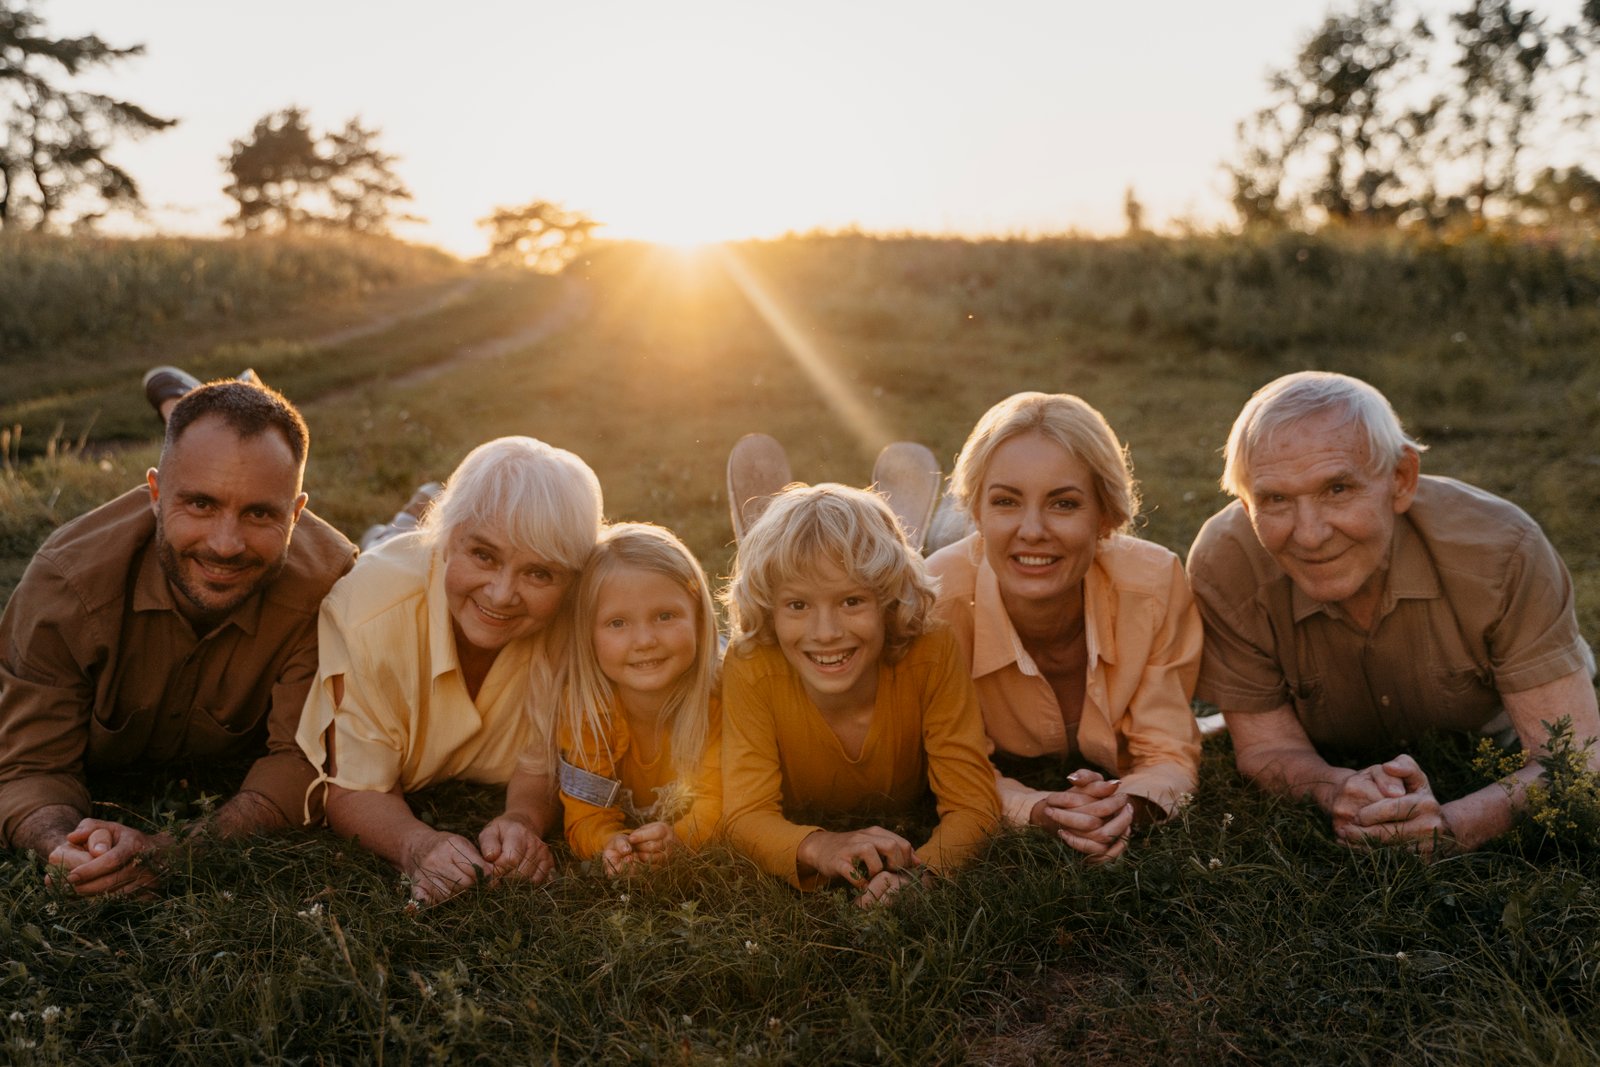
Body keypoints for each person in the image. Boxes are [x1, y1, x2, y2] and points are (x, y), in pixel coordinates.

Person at [1187, 371, 1600, 854]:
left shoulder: (1503, 550)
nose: (1309, 534)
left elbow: (1575, 759)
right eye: (1275, 499)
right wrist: (1335, 789)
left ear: (1401, 479)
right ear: (1245, 501)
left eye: (1337, 489)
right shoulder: (1224, 562)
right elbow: (1268, 749)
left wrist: (1452, 824)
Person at [0, 380, 357, 895]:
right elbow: (29, 763)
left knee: (392, 557)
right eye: (200, 504)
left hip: (359, 561)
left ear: (297, 514)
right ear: (155, 493)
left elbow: (305, 762)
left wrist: (180, 851)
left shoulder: (330, 587)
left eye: (260, 513)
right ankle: (188, 398)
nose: (226, 544)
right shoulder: (65, 583)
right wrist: (62, 846)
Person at [296, 436, 603, 905]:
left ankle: (417, 517)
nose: (502, 594)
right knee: (379, 549)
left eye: (539, 573)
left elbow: (539, 761)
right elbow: (352, 787)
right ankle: (407, 518)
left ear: (571, 578)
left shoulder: (575, 619)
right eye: (484, 554)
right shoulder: (367, 614)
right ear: (449, 535)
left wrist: (522, 818)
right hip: (394, 571)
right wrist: (417, 845)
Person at [926, 392, 1203, 863]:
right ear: (976, 513)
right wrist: (1038, 810)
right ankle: (922, 539)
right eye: (1006, 501)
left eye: (1064, 504)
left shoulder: (1154, 585)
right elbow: (952, 767)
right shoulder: (940, 605)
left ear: (1107, 517)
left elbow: (1168, 753)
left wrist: (1128, 807)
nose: (1033, 529)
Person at [720, 483, 1000, 908]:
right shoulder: (751, 666)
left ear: (888, 603)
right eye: (797, 605)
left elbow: (973, 803)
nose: (827, 631)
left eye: (851, 601)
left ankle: (939, 528)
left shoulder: (933, 649)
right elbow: (744, 816)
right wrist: (821, 847)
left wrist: (922, 875)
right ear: (770, 610)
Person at [558, 523, 722, 873]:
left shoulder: (721, 701)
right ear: (588, 634)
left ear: (699, 618)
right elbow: (584, 813)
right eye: (617, 623)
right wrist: (607, 843)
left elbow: (722, 801)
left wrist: (680, 839)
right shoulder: (587, 712)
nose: (645, 640)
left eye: (665, 616)